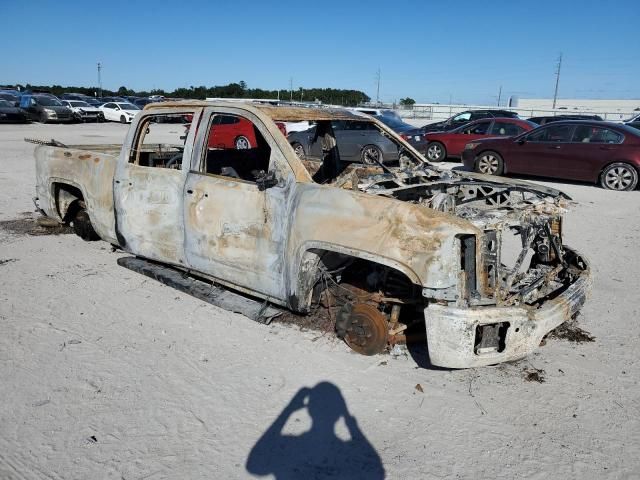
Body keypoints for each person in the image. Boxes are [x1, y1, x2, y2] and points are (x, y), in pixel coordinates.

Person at [246, 382, 385, 479]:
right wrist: (350, 423)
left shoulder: (291, 446)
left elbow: (253, 465)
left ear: (309, 410)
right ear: (339, 415)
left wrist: (288, 410)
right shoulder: (352, 456)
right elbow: (379, 473)